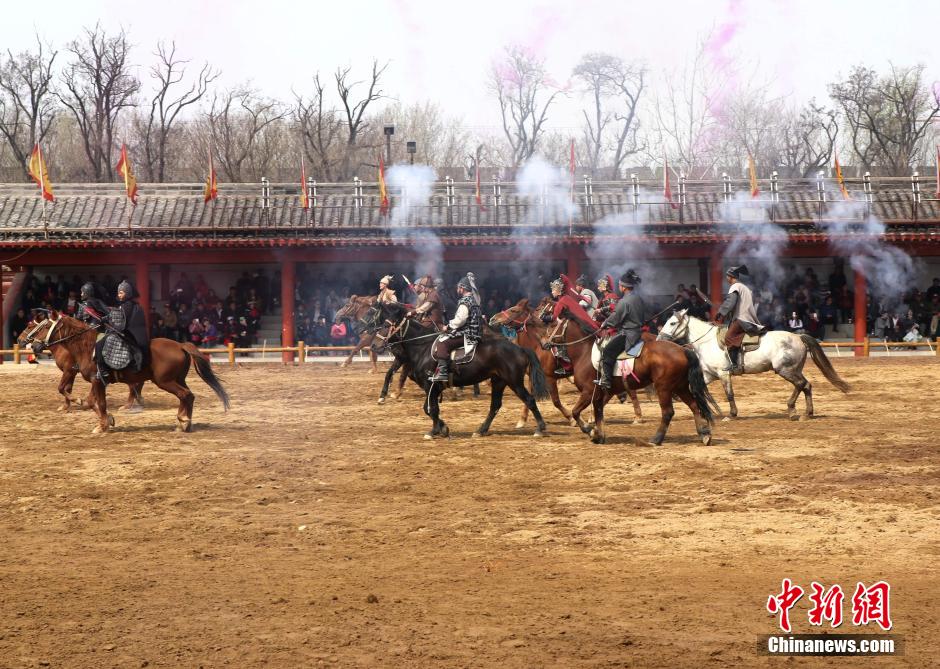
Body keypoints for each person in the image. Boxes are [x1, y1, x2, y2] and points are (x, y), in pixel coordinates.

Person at [597, 270, 645, 390]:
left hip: (628, 335)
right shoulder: (638, 298)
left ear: (623, 287)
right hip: (639, 332)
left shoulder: (624, 302)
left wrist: (604, 324)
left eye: (620, 285)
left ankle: (607, 381)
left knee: (607, 351)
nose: (619, 287)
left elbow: (615, 317)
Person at [430, 273, 482, 382]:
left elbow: (460, 320)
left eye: (459, 287)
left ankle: (443, 372)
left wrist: (447, 327)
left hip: (467, 334)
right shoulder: (473, 300)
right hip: (474, 332)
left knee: (442, 342)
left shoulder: (465, 302)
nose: (457, 289)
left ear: (462, 288)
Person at [714, 265, 764, 376]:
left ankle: (735, 364)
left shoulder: (735, 286)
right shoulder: (744, 287)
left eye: (727, 276)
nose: (726, 278)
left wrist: (721, 313)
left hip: (742, 318)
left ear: (731, 276)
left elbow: (730, 302)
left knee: (728, 337)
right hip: (746, 317)